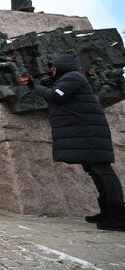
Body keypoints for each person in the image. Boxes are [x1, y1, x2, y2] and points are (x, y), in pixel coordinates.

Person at [28, 54, 125, 231]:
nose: (51, 70)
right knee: (94, 170)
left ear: (61, 65)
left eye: (53, 67)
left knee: (103, 171)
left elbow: (56, 96)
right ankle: (108, 212)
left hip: (89, 132)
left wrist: (37, 87)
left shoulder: (73, 77)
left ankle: (119, 216)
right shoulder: (66, 79)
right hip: (84, 132)